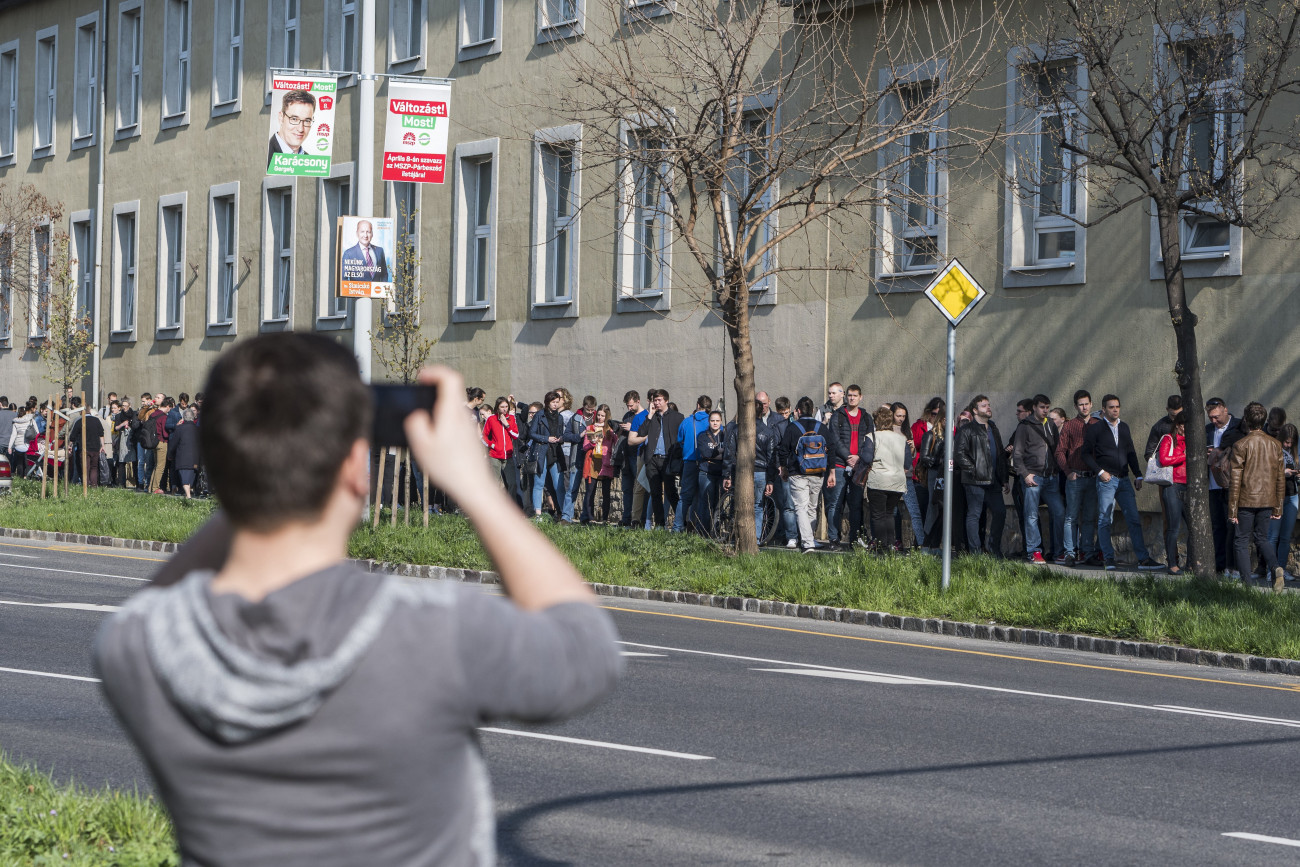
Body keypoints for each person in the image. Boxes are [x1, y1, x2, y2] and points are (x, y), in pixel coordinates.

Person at [93, 334, 621, 866]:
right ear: (354, 468)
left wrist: (251, 479)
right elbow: (587, 651)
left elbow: (156, 598)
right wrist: (475, 485)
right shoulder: (428, 630)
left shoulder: (139, 645)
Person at [1083, 394, 1163, 571]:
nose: (1115, 410)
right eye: (1111, 407)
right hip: (1107, 480)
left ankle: (1143, 559)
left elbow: (1131, 452)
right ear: (1104, 409)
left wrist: (1139, 475)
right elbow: (1086, 454)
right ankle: (1108, 558)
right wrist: (1100, 472)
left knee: (1133, 519)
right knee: (1105, 520)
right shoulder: (1096, 429)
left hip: (1124, 480)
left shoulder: (1124, 427)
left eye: (1117, 406)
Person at [1228, 401, 1286, 592]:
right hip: (1267, 499)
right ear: (1264, 420)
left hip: (1245, 499)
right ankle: (1276, 566)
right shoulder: (1276, 445)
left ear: (1246, 420)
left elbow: (1235, 480)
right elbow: (1280, 478)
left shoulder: (1240, 445)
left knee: (1241, 541)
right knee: (1262, 538)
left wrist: (1232, 509)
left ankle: (1247, 586)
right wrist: (1278, 506)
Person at [954, 395, 1009, 557]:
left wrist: (1004, 478)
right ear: (975, 410)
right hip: (974, 481)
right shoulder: (967, 429)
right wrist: (974, 469)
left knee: (1000, 512)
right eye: (984, 405)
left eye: (989, 405)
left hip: (994, 480)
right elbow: (959, 454)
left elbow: (999, 454)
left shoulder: (993, 427)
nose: (988, 408)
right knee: (974, 515)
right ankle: (976, 552)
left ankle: (993, 548)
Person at [1012, 394, 1063, 565]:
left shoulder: (1050, 424)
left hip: (1050, 477)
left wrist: (1057, 470)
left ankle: (1057, 551)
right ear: (1034, 407)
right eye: (1042, 407)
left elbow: (1056, 449)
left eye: (1047, 407)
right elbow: (1017, 455)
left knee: (1059, 512)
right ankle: (1034, 551)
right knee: (1031, 515)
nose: (1045, 410)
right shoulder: (1024, 427)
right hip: (1033, 477)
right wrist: (1025, 474)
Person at [779, 396, 831, 553]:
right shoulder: (822, 428)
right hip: (818, 473)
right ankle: (810, 539)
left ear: (798, 411)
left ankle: (807, 542)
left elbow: (783, 450)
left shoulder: (792, 428)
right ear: (814, 411)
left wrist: (783, 467)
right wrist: (832, 471)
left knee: (800, 507)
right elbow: (831, 449)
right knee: (812, 507)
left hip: (797, 472)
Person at [1055, 390, 1102, 568]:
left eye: (1087, 403)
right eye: (1080, 404)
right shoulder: (1069, 426)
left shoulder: (1098, 424)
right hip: (1075, 477)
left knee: (1090, 517)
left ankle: (1088, 552)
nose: (1084, 407)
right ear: (1075, 406)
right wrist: (1067, 472)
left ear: (1091, 404)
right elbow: (1059, 451)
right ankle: (1069, 554)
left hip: (1093, 477)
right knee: (1071, 517)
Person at [722, 399, 776, 544]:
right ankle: (755, 539)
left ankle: (737, 537)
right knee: (758, 506)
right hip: (761, 472)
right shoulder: (768, 432)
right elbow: (771, 457)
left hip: (741, 471)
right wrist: (770, 480)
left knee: (739, 505)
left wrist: (727, 474)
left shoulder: (736, 429)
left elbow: (729, 453)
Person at [628, 389, 683, 529]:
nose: (656, 403)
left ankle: (680, 523)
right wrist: (650, 415)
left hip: (667, 460)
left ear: (666, 401)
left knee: (671, 493)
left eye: (659, 400)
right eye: (655, 400)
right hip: (652, 460)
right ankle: (659, 524)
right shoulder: (651, 417)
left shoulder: (677, 417)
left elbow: (681, 438)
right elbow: (641, 432)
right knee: (655, 493)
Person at [827, 386, 874, 549]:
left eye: (855, 396)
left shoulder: (866, 417)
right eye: (849, 395)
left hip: (859, 467)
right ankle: (833, 538)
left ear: (861, 397)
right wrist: (848, 457)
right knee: (835, 503)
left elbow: (870, 441)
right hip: (840, 464)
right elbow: (834, 439)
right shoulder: (837, 416)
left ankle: (854, 539)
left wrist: (859, 458)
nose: (852, 398)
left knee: (856, 504)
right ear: (845, 397)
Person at [1205, 397, 1244, 575]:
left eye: (1216, 416)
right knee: (1217, 526)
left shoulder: (1238, 426)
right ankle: (1220, 566)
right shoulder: (1206, 430)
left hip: (1232, 485)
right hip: (1213, 485)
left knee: (1232, 527)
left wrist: (1218, 451)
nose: (1214, 421)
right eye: (1211, 417)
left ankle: (1233, 565)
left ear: (1225, 410)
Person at [865, 405, 908, 551]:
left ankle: (881, 546)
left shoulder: (873, 437)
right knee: (889, 513)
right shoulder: (902, 439)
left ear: (876, 421)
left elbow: (866, 457)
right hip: (897, 482)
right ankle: (891, 545)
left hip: (878, 481)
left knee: (878, 515)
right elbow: (908, 462)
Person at [1155, 411, 1190, 575]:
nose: (1187, 429)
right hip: (1173, 485)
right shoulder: (1169, 439)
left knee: (1193, 528)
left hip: (1189, 486)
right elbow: (1164, 459)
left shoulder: (1191, 440)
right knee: (1173, 527)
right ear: (1178, 425)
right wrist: (1183, 456)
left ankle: (1191, 563)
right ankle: (1172, 563)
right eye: (1184, 426)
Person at [529, 391, 572, 521]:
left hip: (555, 452)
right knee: (539, 483)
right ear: (547, 403)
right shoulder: (540, 415)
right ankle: (538, 514)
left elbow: (560, 433)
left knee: (558, 484)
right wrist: (546, 438)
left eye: (557, 402)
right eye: (553, 402)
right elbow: (532, 433)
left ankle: (563, 513)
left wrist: (560, 439)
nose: (555, 404)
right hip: (542, 451)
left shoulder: (559, 417)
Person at [675, 396, 712, 533]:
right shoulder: (712, 422)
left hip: (689, 461)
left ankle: (677, 527)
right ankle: (696, 525)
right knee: (702, 496)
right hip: (707, 463)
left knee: (685, 496)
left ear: (697, 405)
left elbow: (680, 440)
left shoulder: (687, 422)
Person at [580, 405, 617, 524]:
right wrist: (592, 443)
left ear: (607, 417)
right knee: (590, 491)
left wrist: (614, 433)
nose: (600, 418)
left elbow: (616, 442)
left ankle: (605, 518)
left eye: (602, 416)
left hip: (606, 462)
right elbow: (585, 446)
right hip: (593, 462)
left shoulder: (609, 429)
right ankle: (590, 517)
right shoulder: (590, 427)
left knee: (606, 492)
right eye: (599, 415)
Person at [1273, 423, 1299, 582]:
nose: (1288, 445)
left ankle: (1281, 570)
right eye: (1286, 442)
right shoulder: (1274, 450)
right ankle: (1272, 569)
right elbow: (1267, 472)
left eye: (1291, 443)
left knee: (1285, 537)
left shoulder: (1294, 453)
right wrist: (1284, 472)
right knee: (1272, 536)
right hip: (1277, 495)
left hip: (1292, 495)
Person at [616, 391, 645, 528]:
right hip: (625, 456)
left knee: (639, 489)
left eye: (631, 405)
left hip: (638, 455)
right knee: (626, 489)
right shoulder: (628, 415)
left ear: (638, 401)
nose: (629, 408)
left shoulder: (645, 416)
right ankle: (626, 517)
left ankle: (639, 519)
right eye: (627, 405)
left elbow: (648, 434)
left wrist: (633, 428)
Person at [482, 396, 519, 497]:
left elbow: (516, 435)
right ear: (497, 407)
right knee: (495, 483)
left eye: (506, 406)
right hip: (494, 455)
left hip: (509, 455)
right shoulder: (491, 419)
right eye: (502, 406)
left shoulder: (511, 418)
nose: (504, 409)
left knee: (512, 483)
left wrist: (507, 424)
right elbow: (484, 436)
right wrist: (492, 445)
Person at [695, 410, 726, 533]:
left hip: (721, 473)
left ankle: (716, 530)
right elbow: (705, 453)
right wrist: (720, 452)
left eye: (717, 421)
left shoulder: (725, 435)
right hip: (706, 472)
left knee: (719, 502)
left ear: (721, 422)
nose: (715, 423)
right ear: (709, 422)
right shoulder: (702, 436)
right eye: (712, 420)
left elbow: (729, 454)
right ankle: (703, 530)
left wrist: (717, 453)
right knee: (706, 501)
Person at [267, 89, 315, 164]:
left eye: (307, 121)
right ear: (281, 118)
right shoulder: (267, 154)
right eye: (294, 119)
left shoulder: (310, 161)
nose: (300, 129)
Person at [66, 398, 105, 487]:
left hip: (84, 448)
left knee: (85, 468)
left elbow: (73, 436)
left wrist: (69, 446)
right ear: (90, 410)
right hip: (95, 448)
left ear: (81, 412)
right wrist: (102, 446)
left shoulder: (80, 421)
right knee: (94, 467)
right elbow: (101, 433)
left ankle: (86, 486)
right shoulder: (96, 420)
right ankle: (94, 485)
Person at [340, 219, 391, 285]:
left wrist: (383, 290)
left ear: (372, 234)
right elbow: (344, 279)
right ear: (357, 233)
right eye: (362, 231)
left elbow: (384, 274)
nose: (365, 235)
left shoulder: (380, 251)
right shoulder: (349, 254)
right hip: (358, 293)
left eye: (368, 232)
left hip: (376, 293)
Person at [168, 407, 202, 499]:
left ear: (183, 417)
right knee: (191, 477)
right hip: (195, 458)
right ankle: (189, 494)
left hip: (182, 458)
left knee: (185, 479)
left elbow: (173, 443)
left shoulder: (179, 429)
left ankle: (188, 495)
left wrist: (170, 454)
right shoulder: (198, 429)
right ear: (193, 417)